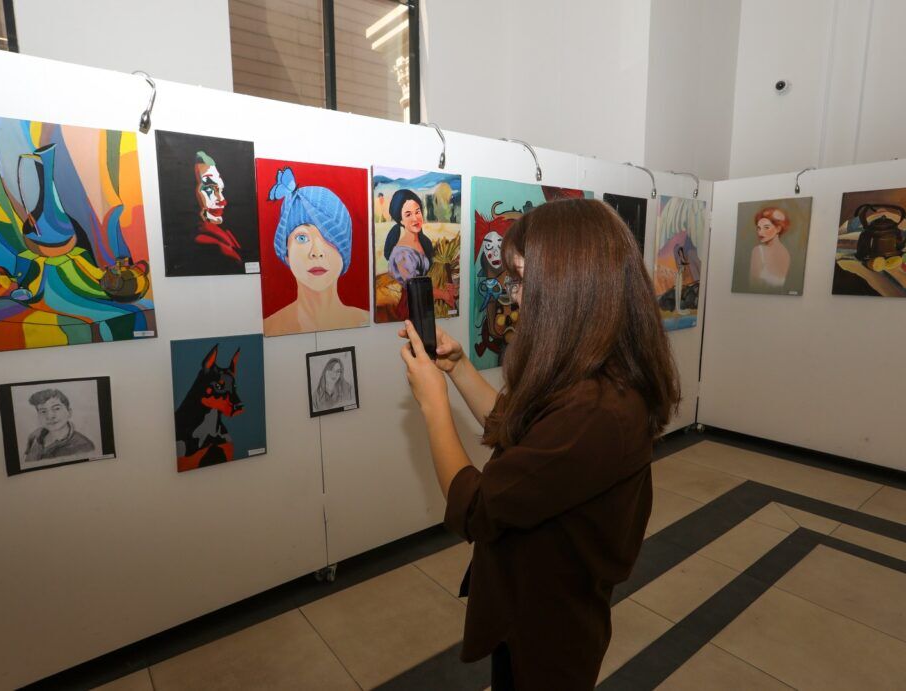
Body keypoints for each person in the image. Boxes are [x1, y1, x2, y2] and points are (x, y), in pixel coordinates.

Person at [399, 198, 680, 690]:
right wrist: (458, 369)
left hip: (550, 630)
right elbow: (516, 428)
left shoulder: (597, 410)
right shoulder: (594, 377)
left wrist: (433, 405)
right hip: (533, 604)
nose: (516, 296)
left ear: (571, 286)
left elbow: (477, 509)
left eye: (524, 280)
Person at [263, 167, 368, 335]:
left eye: (329, 237)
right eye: (302, 238)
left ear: (345, 252)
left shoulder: (364, 320)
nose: (316, 252)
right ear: (286, 253)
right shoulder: (271, 326)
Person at [383, 189, 456, 318]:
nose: (415, 218)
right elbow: (416, 288)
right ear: (400, 220)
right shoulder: (402, 254)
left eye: (417, 212)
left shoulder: (424, 242)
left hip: (428, 305)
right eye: (408, 214)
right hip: (412, 309)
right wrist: (444, 295)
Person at [193, 150, 243, 266]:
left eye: (221, 190)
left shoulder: (225, 234)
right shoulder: (209, 244)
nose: (222, 201)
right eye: (209, 189)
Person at [23, 388, 95, 463]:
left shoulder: (83, 446)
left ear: (69, 412)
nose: (50, 416)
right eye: (43, 411)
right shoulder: (35, 435)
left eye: (56, 408)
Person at [749, 206, 791, 289]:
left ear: (778, 229)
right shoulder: (786, 253)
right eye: (759, 228)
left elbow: (753, 286)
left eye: (766, 228)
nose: (760, 233)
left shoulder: (758, 251)